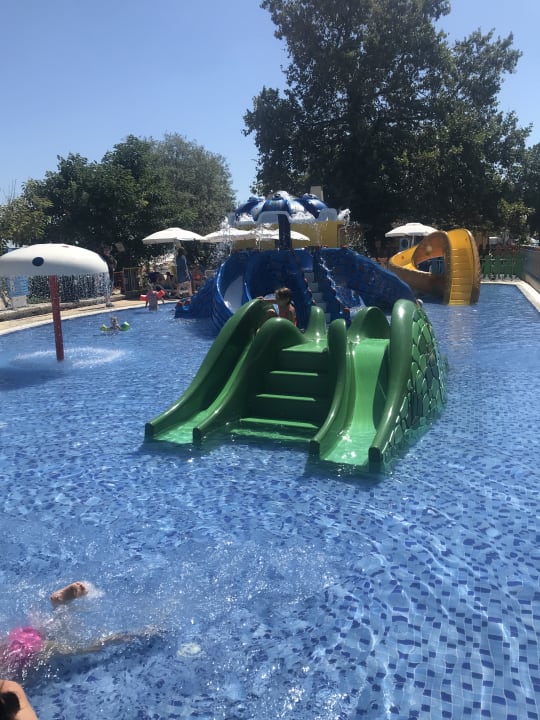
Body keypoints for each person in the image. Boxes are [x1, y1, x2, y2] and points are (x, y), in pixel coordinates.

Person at [0, 582, 160, 678]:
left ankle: (121, 637)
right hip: (17, 638)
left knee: (81, 647)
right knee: (45, 629)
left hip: (24, 654)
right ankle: (59, 606)